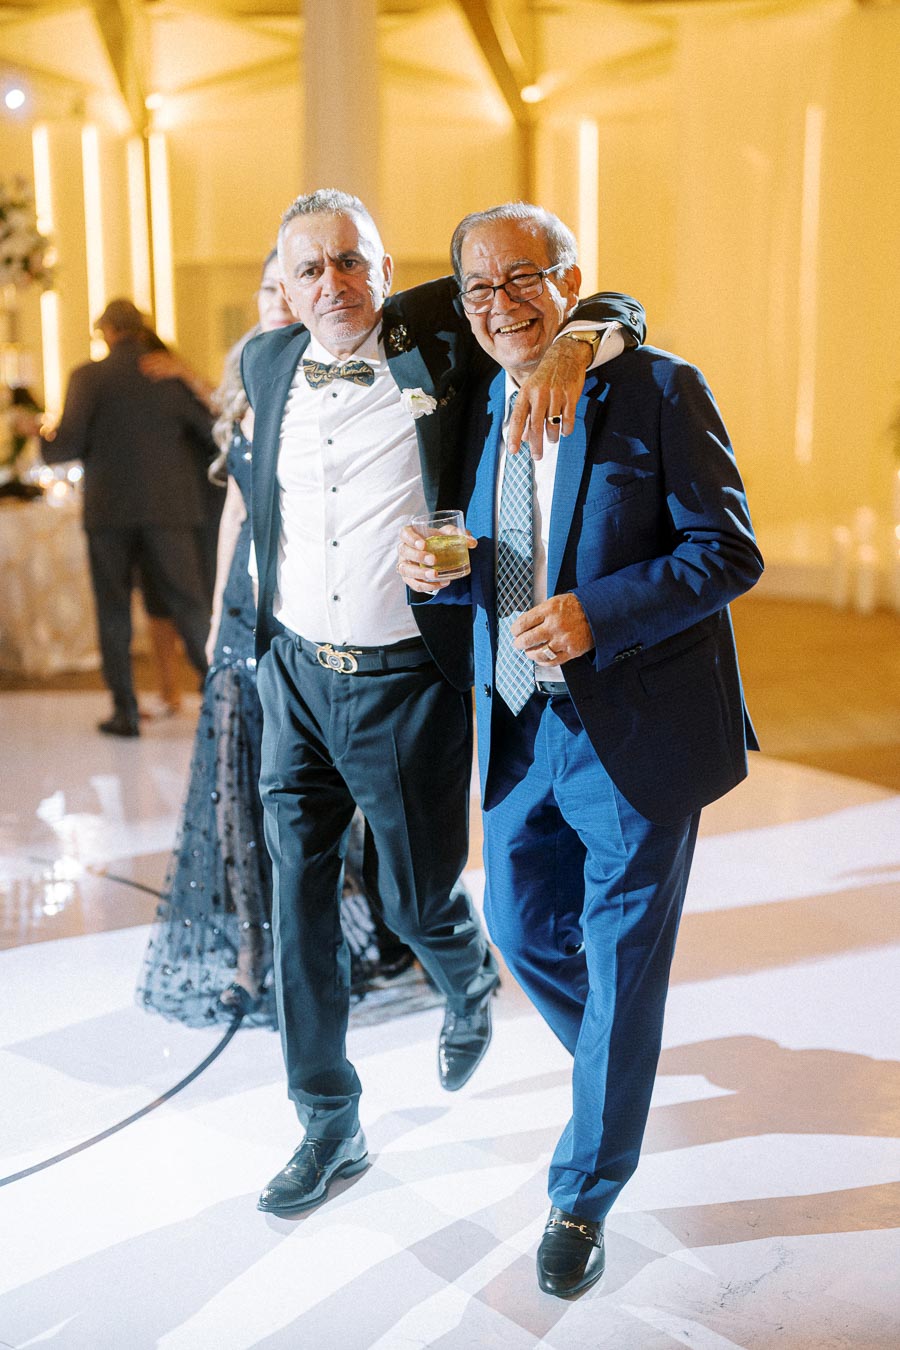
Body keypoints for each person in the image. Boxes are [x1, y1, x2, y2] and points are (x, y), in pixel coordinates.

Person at [241, 188, 639, 1217]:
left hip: (401, 682)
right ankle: (327, 1123)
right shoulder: (264, 361)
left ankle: (461, 971)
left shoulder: (439, 337)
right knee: (299, 904)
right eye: (310, 268)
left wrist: (583, 335)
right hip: (290, 675)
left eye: (352, 261)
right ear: (280, 285)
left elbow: (589, 299)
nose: (335, 284)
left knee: (419, 895)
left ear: (382, 265)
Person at [399, 201, 763, 1297]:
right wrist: (448, 571)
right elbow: (498, 547)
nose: (499, 305)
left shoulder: (657, 389)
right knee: (518, 923)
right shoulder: (473, 398)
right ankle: (619, 1067)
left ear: (570, 282)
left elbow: (727, 552)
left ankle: (582, 1192)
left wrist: (602, 611)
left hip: (636, 733)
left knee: (618, 958)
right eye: (478, 288)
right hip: (518, 725)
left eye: (524, 281)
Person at [138, 253, 294, 1025]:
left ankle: (330, 938)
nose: (278, 300)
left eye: (287, 286)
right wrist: (210, 619)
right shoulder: (244, 378)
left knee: (306, 798)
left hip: (310, 619)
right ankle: (250, 956)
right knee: (235, 793)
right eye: (268, 288)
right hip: (241, 617)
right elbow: (235, 509)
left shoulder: (348, 377)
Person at [41, 298, 215, 737]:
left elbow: (65, 447)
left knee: (114, 610)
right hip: (171, 511)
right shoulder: (168, 372)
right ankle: (222, 706)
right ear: (140, 330)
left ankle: (125, 712)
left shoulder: (87, 376)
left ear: (106, 331)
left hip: (109, 513)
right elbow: (213, 434)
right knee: (191, 609)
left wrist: (40, 434)